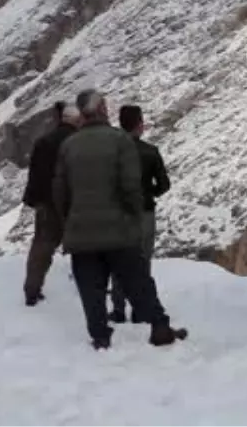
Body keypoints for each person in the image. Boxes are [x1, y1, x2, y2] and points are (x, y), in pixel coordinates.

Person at [52, 89, 187, 349]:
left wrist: (71, 220)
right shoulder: (119, 141)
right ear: (102, 109)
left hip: (81, 231)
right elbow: (131, 187)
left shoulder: (69, 145)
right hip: (118, 229)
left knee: (91, 286)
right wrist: (133, 218)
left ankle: (100, 335)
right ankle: (159, 327)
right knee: (138, 280)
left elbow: (60, 191)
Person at [109, 104, 171, 323]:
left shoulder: (112, 150)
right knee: (143, 262)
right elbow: (164, 184)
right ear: (139, 124)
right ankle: (140, 310)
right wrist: (149, 193)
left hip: (118, 213)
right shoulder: (150, 152)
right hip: (144, 212)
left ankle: (118, 309)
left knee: (118, 261)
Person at [22, 101, 82, 306]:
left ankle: (32, 289)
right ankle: (87, 286)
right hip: (73, 203)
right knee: (82, 246)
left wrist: (33, 200)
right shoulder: (78, 141)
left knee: (42, 246)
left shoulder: (43, 141)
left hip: (45, 203)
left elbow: (34, 174)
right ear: (76, 120)